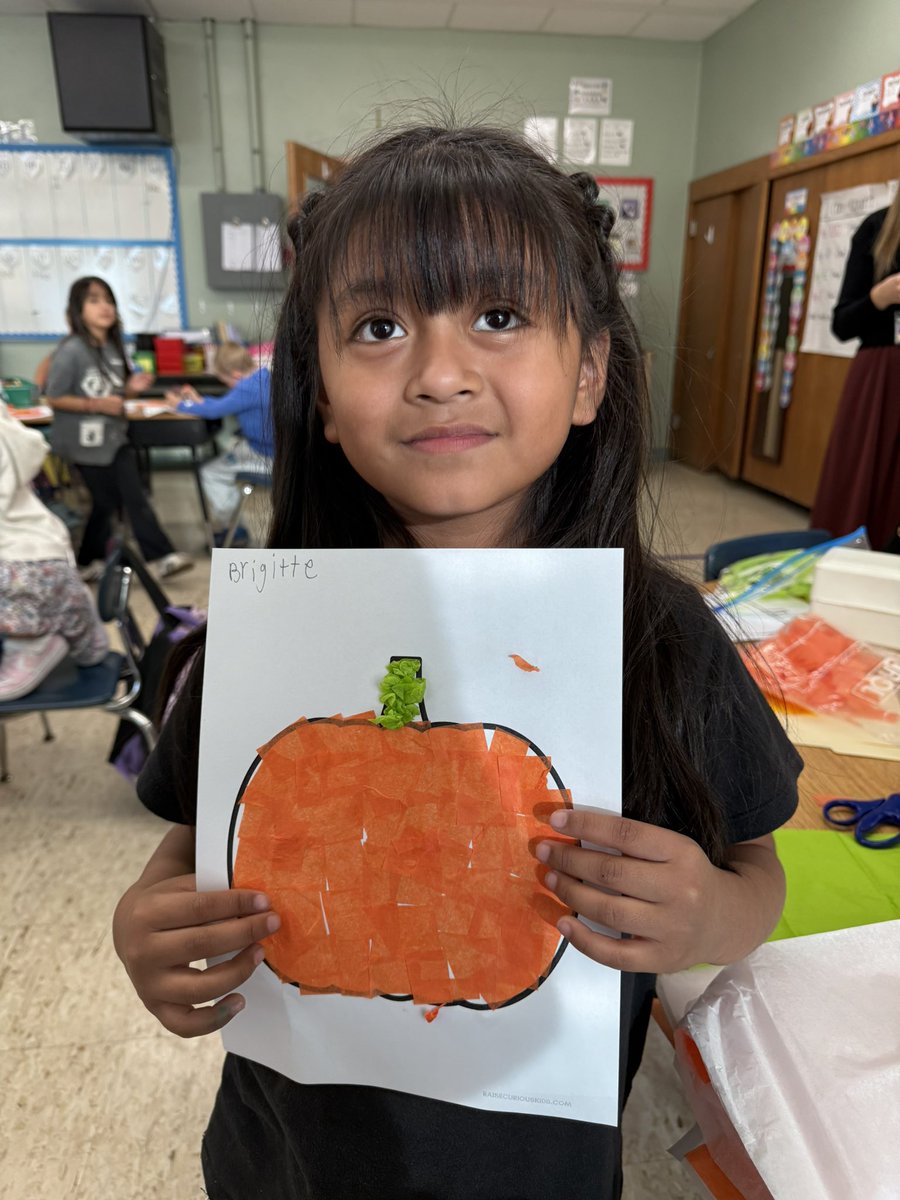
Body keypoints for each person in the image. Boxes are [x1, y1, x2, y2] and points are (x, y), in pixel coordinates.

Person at [112, 125, 800, 1200]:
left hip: (538, 1165)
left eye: (500, 316)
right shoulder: (269, 634)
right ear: (325, 399)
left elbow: (760, 869)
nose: (440, 374)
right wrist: (148, 929)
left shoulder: (659, 637)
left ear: (588, 374)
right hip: (285, 1162)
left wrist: (710, 913)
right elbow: (194, 852)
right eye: (380, 326)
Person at [45, 277, 193, 581]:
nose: (105, 307)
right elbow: (55, 397)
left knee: (131, 495)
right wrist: (96, 405)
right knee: (107, 502)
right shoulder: (71, 351)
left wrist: (130, 390)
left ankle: (160, 556)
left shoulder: (113, 349)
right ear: (77, 309)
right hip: (84, 443)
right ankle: (89, 561)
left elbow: (113, 397)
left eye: (109, 300)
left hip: (114, 438)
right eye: (94, 300)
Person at [810, 187, 900, 551]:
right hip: (881, 379)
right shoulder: (876, 228)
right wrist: (880, 298)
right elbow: (842, 324)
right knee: (865, 481)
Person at [0, 404, 108, 700]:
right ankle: (73, 614)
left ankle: (33, 640)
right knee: (88, 648)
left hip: (23, 567)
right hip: (43, 550)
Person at [164, 342, 273, 546]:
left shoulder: (246, 389)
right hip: (276, 452)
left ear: (234, 375)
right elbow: (224, 403)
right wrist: (197, 401)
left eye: (225, 381)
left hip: (264, 456)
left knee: (211, 472)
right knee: (227, 456)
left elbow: (216, 410)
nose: (227, 386)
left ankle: (230, 527)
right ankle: (233, 525)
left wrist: (178, 404)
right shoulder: (263, 378)